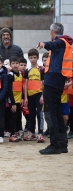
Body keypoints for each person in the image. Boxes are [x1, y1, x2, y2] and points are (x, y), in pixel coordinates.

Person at [37, 22, 73, 154]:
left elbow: (53, 44)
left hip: (52, 81)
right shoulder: (66, 42)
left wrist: (44, 44)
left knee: (51, 114)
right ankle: (62, 145)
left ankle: (54, 145)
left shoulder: (61, 41)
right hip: (57, 80)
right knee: (57, 113)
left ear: (53, 31)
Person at [23, 48, 45, 143]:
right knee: (31, 114)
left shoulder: (41, 69)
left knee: (40, 114)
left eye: (34, 57)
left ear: (37, 58)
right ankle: (32, 132)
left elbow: (44, 83)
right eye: (31, 57)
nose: (33, 59)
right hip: (30, 95)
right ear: (28, 58)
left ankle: (40, 133)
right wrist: (26, 97)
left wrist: (42, 96)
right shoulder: (27, 70)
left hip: (39, 94)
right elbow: (25, 84)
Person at [8, 56, 24, 142]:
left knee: (18, 117)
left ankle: (17, 132)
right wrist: (13, 103)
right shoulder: (10, 75)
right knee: (13, 117)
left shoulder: (20, 74)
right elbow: (9, 90)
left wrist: (22, 98)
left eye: (16, 63)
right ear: (10, 65)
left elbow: (21, 87)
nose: (15, 65)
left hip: (19, 100)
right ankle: (12, 134)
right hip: (13, 100)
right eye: (13, 63)